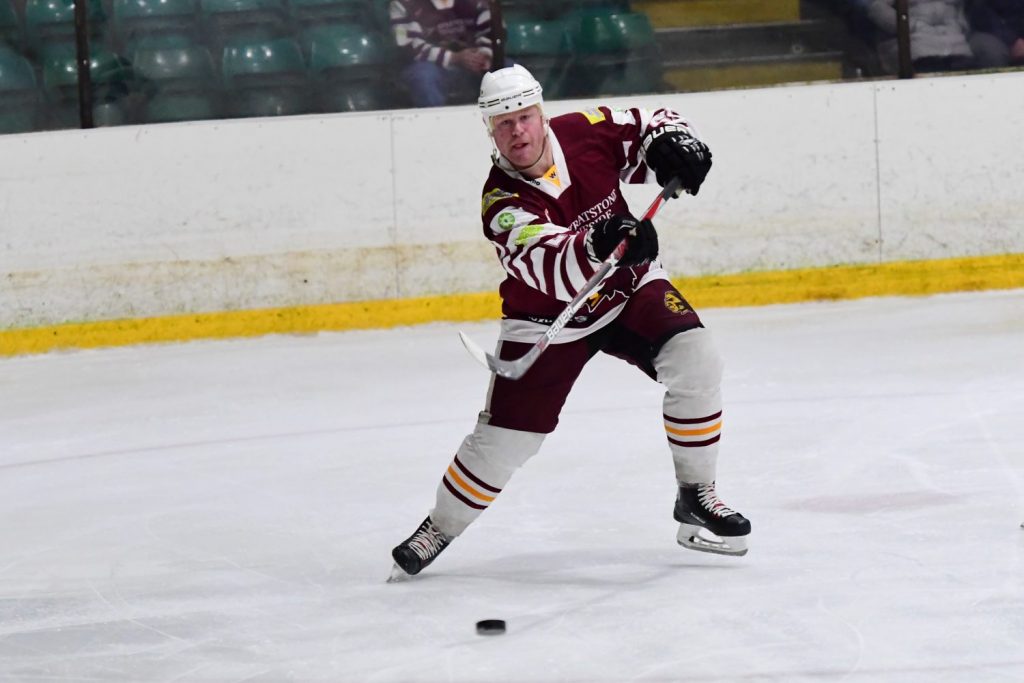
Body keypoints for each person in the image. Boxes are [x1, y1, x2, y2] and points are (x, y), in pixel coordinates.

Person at [389, 64, 751, 581]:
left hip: (627, 290)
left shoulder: (585, 130)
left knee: (697, 359)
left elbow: (649, 120)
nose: (518, 131)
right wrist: (601, 240)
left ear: (542, 113)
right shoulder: (502, 202)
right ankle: (438, 528)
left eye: (524, 117)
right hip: (546, 319)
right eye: (503, 124)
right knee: (506, 441)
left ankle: (696, 496)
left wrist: (674, 141)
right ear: (489, 131)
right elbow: (550, 269)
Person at [388, 0, 495, 107]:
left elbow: (494, 31)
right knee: (423, 76)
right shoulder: (404, 3)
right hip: (433, 69)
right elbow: (408, 44)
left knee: (506, 71)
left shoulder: (479, 2)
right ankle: (434, 121)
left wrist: (484, 55)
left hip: (476, 67)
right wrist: (454, 57)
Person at [862, 0, 976, 74]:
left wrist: (960, 25)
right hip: (913, 41)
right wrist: (909, 26)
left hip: (955, 40)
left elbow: (960, 9)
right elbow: (877, 8)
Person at [967, 0, 1024, 68]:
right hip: (989, 32)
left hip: (1018, 32)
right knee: (994, 53)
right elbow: (982, 15)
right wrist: (1014, 41)